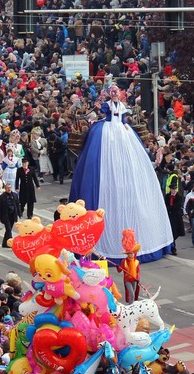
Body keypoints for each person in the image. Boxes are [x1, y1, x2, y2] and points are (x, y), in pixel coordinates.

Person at [69, 83, 174, 261]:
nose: (115, 97)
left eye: (116, 94)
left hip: (122, 130)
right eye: (113, 94)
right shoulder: (107, 107)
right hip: (108, 131)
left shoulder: (121, 107)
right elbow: (104, 113)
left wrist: (125, 124)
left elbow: (124, 119)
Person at [117, 229, 141, 304]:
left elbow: (138, 272)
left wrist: (137, 278)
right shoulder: (124, 262)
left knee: (133, 293)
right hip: (127, 280)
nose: (131, 255)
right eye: (130, 253)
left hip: (134, 280)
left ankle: (132, 305)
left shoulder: (136, 262)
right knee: (131, 293)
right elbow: (119, 270)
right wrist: (118, 266)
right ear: (127, 254)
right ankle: (131, 306)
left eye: (132, 253)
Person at [0, 182, 20, 248]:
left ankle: (4, 243)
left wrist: (19, 213)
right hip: (5, 216)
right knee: (9, 229)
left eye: (9, 188)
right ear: (5, 189)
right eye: (7, 188)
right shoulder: (2, 197)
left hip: (13, 215)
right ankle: (11, 243)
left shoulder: (15, 195)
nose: (9, 189)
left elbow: (17, 205)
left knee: (8, 229)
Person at [164, 183, 185, 256]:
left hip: (176, 217)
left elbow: (177, 206)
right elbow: (166, 205)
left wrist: (170, 208)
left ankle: (172, 246)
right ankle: (173, 248)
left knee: (175, 233)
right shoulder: (167, 196)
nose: (174, 190)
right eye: (173, 189)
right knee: (171, 232)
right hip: (169, 216)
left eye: (175, 189)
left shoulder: (179, 197)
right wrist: (169, 209)